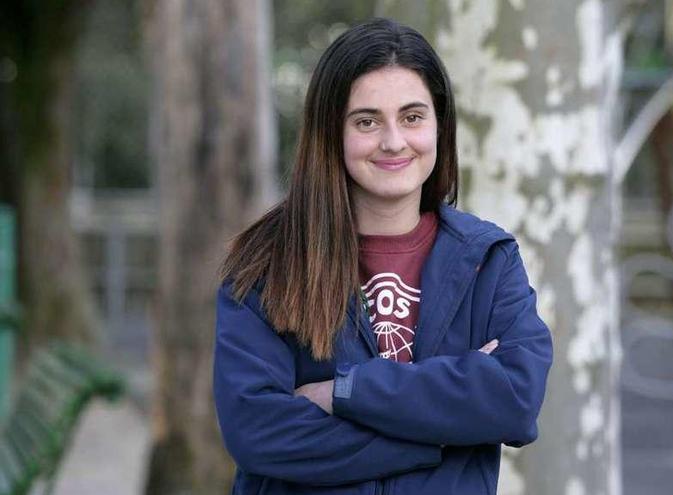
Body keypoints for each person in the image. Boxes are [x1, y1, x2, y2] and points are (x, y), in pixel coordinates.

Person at [213, 17, 553, 495]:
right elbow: (257, 432)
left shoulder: (487, 261)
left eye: (412, 117)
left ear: (439, 125)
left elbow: (516, 399)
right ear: (332, 133)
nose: (393, 141)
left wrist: (345, 393)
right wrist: (442, 435)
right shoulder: (266, 263)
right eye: (367, 121)